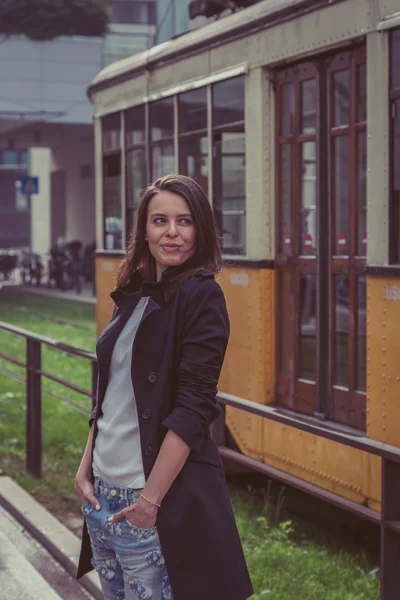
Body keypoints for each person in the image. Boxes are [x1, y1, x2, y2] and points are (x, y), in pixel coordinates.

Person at [75, 174, 254, 600]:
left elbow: (193, 408)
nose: (171, 232)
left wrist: (149, 504)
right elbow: (110, 395)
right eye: (160, 220)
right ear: (145, 230)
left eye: (185, 221)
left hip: (148, 502)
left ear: (201, 230)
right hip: (102, 498)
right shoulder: (134, 295)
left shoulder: (201, 297)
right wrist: (86, 470)